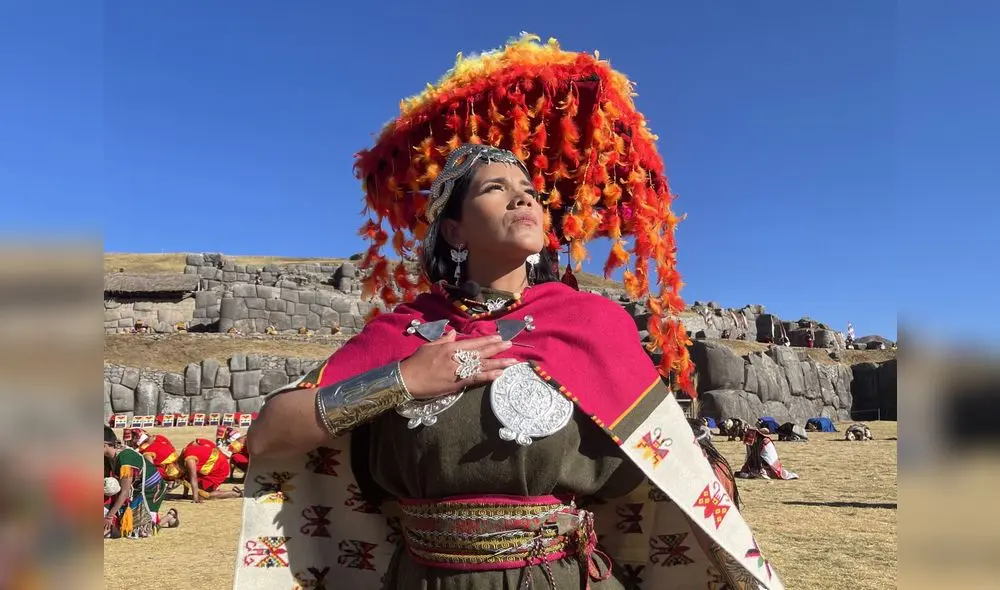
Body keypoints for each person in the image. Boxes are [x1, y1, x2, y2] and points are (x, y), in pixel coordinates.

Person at [235, 35, 782, 590]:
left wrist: (703, 461)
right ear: (453, 229)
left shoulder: (590, 322)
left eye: (529, 191)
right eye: (496, 189)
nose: (524, 199)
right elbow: (268, 436)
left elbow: (654, 466)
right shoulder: (403, 331)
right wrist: (402, 379)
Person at [103, 426, 167, 538]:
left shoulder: (126, 460)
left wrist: (109, 516)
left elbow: (125, 492)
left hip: (151, 489)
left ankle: (169, 518)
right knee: (122, 525)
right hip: (134, 488)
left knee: (141, 532)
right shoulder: (107, 457)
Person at [179, 438, 241, 503]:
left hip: (219, 468)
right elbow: (186, 478)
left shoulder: (189, 460)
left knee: (204, 495)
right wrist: (185, 495)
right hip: (210, 466)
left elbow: (193, 478)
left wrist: (195, 498)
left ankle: (235, 493)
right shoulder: (184, 453)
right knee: (196, 487)